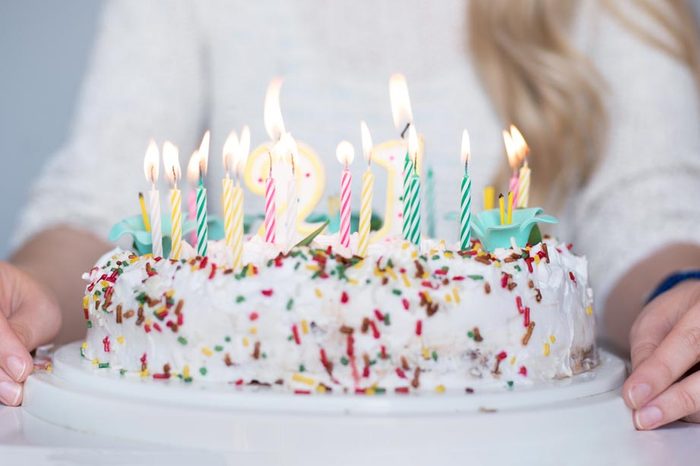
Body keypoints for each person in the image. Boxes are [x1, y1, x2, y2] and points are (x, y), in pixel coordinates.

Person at [1, 0, 699, 430]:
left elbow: (643, 207)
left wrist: (680, 303)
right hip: (231, 442)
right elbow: (103, 197)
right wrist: (26, 290)